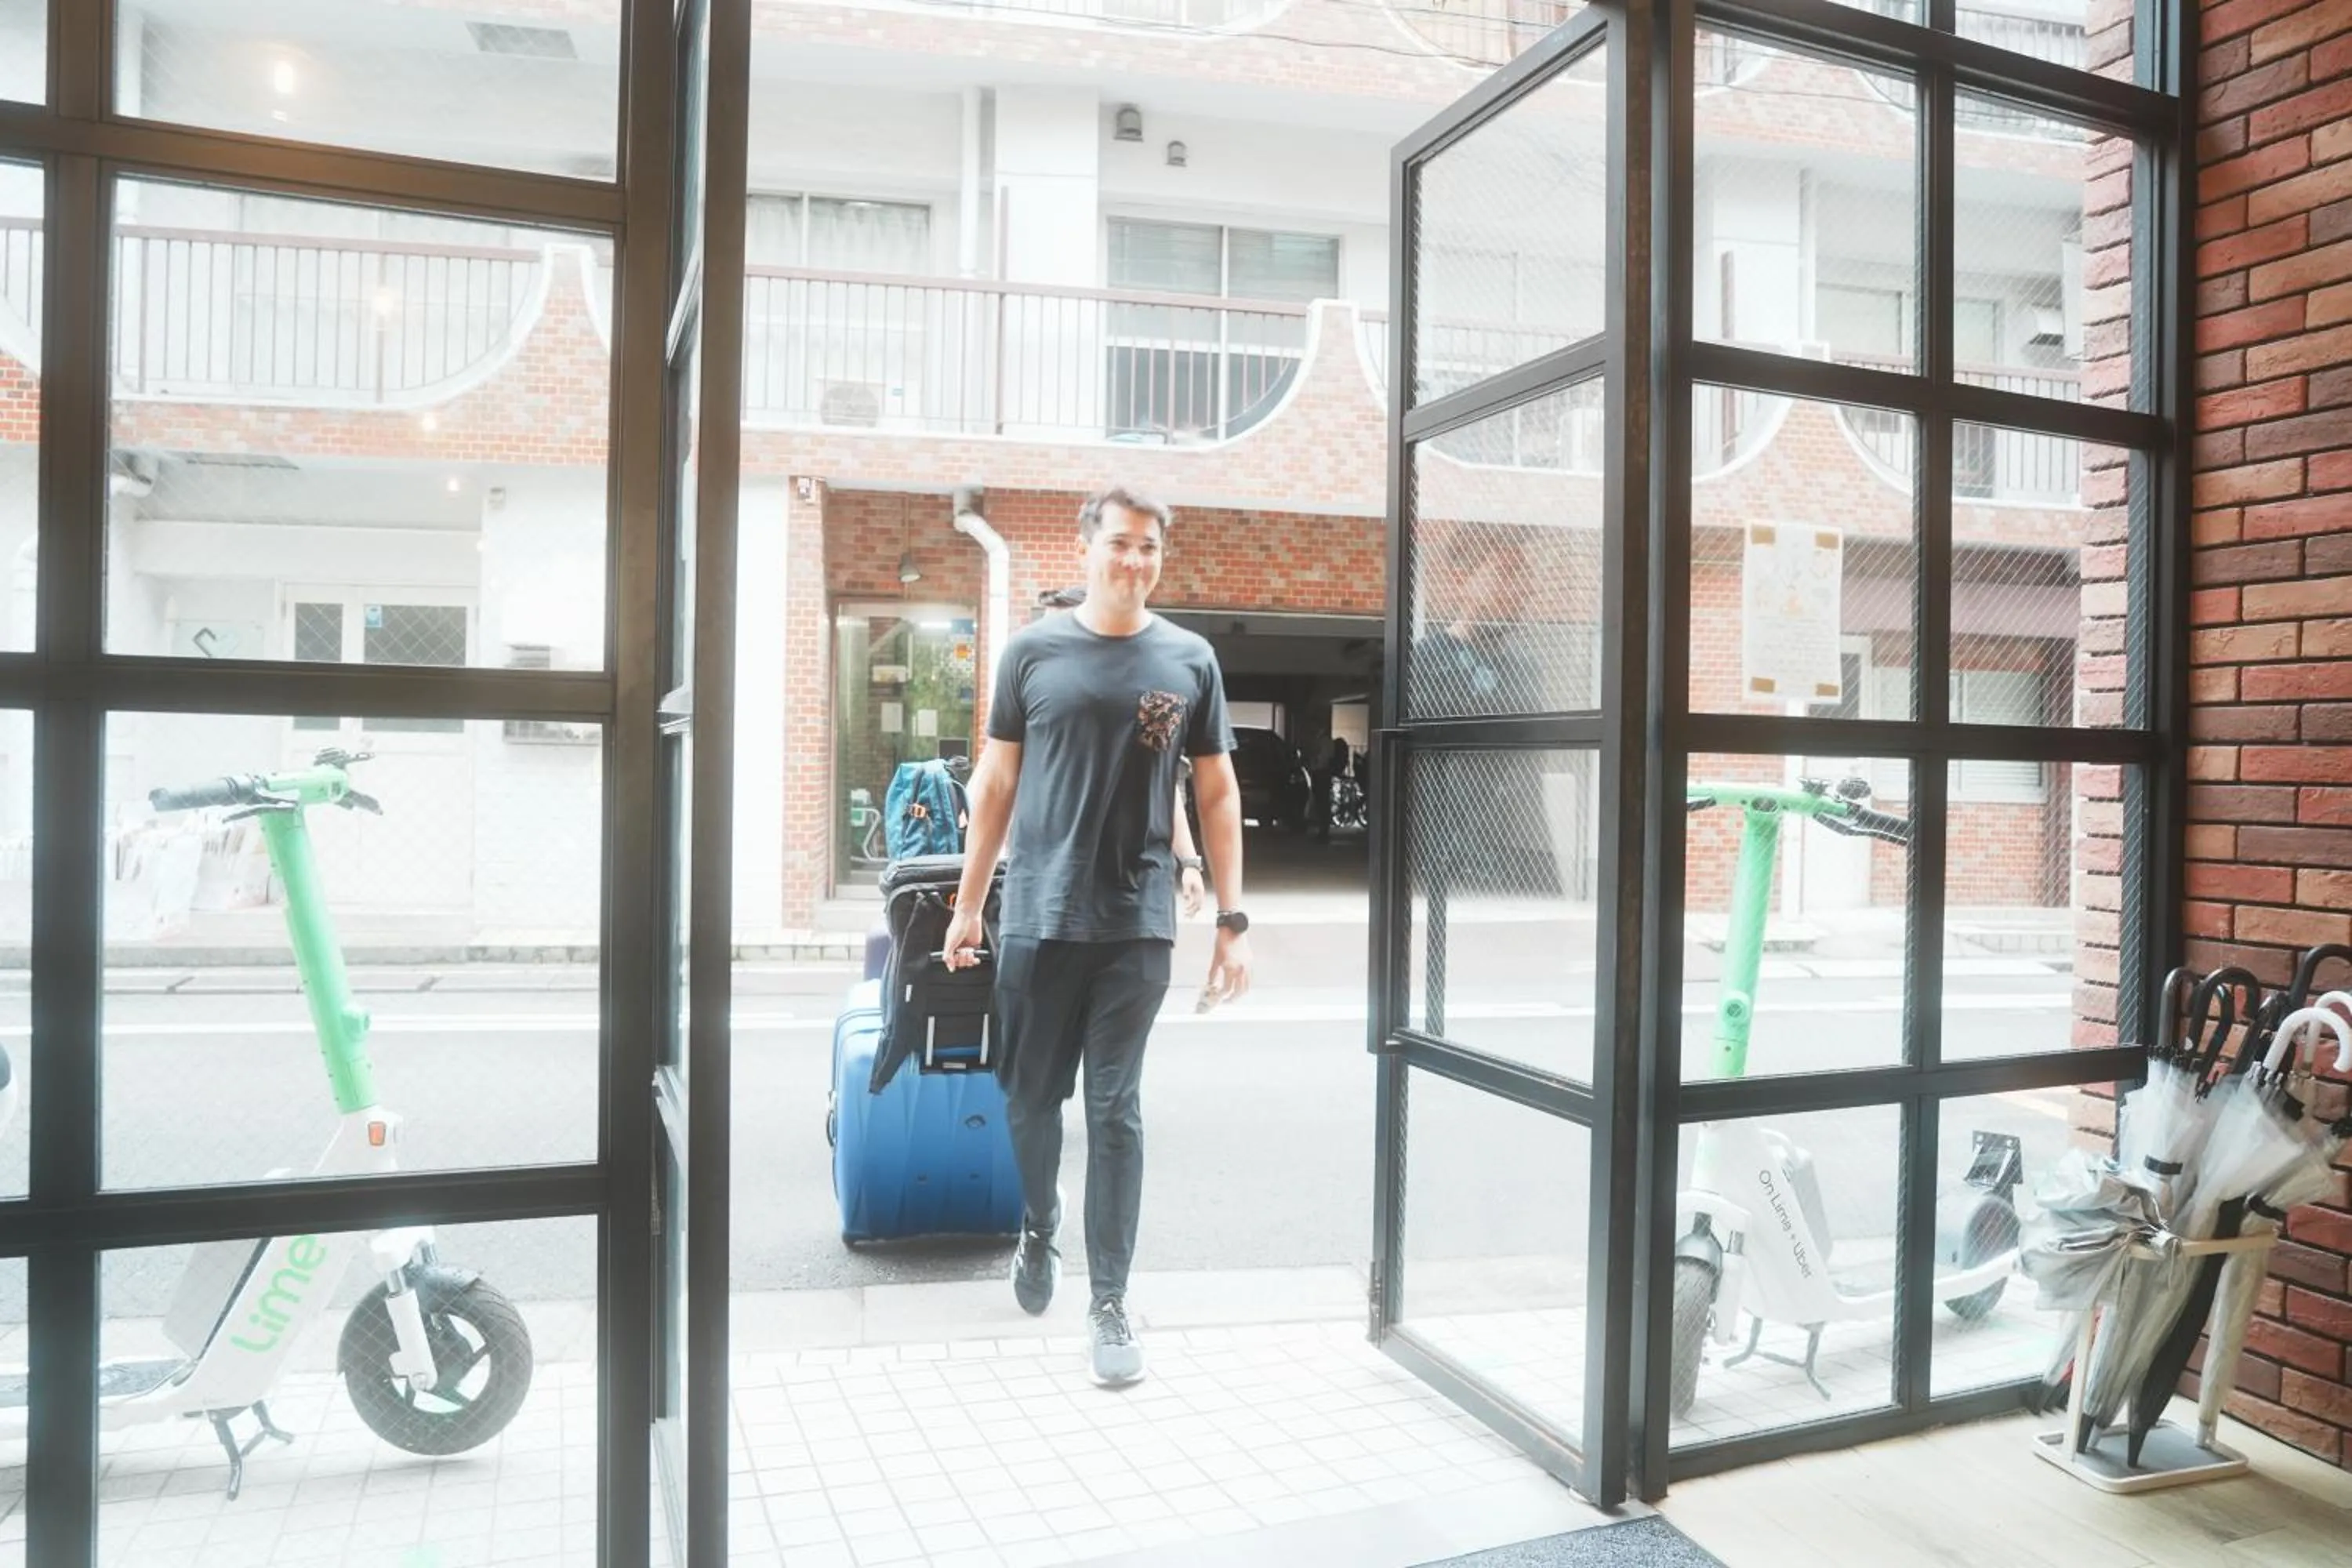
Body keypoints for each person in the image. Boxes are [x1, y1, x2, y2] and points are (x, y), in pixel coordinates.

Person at [943, 487, 1250, 1387]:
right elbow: (996, 784)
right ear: (1088, 548)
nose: (1135, 561)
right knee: (1030, 1101)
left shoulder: (1188, 660)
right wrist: (969, 904)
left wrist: (1232, 918)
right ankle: (1040, 1222)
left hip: (1134, 923)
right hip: (1037, 911)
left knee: (1116, 1109)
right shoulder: (1033, 652)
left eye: (1149, 547)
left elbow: (1218, 792)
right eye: (1120, 543)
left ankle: (1110, 1301)